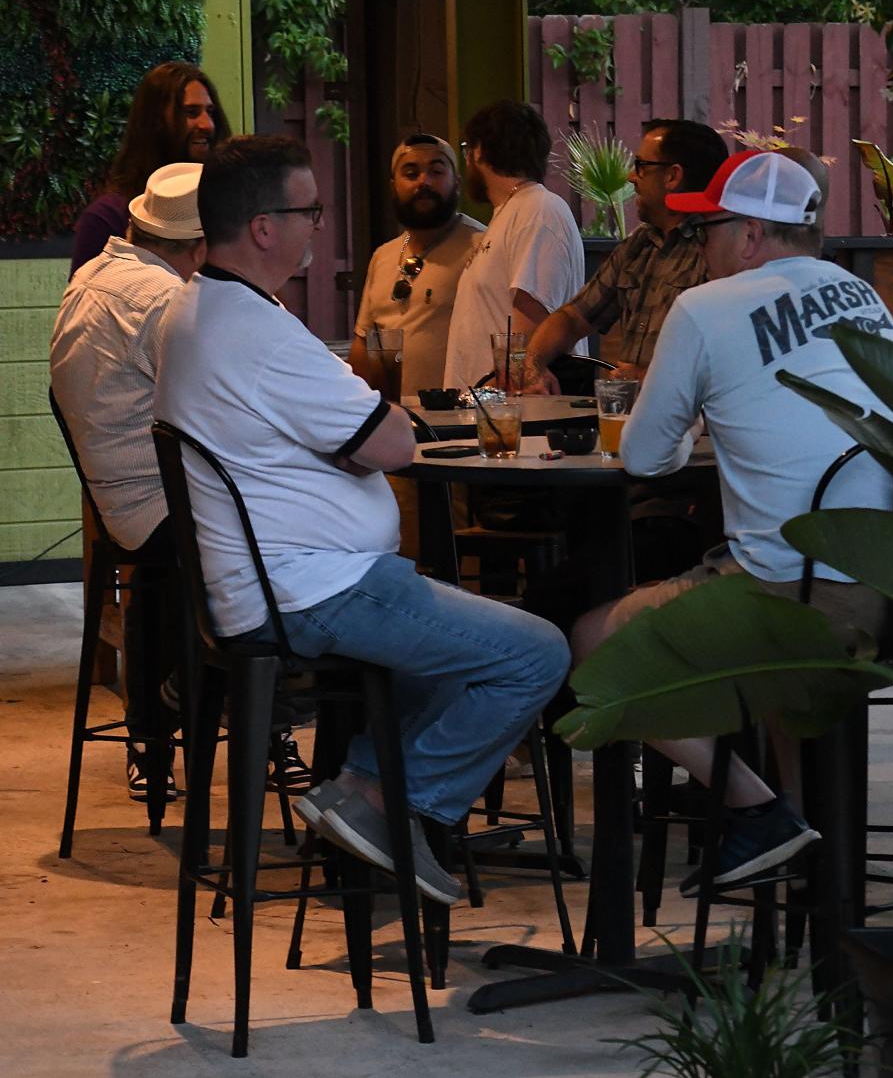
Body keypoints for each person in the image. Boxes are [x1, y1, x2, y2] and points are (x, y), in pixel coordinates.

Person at [153, 134, 570, 904]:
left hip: (285, 582)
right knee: (536, 653)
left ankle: (362, 788)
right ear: (263, 228)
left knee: (456, 641)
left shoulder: (199, 306)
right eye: (308, 209)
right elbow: (394, 440)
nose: (320, 224)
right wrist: (351, 448)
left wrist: (343, 447)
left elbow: (335, 437)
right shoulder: (263, 334)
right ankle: (389, 806)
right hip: (319, 589)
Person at [571, 149, 893, 892]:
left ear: (750, 235)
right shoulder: (865, 295)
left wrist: (696, 419)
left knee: (591, 641)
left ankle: (759, 814)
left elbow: (648, 458)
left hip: (789, 601)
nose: (700, 247)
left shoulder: (706, 308)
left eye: (708, 230)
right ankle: (809, 858)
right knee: (771, 646)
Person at [51, 163, 207, 798]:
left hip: (123, 508)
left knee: (167, 570)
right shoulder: (167, 302)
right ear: (200, 246)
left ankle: (159, 723)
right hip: (162, 513)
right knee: (300, 536)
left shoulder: (92, 276)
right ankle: (248, 697)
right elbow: (224, 412)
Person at [523, 118, 729, 393]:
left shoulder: (718, 249)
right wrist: (534, 366)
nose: (631, 177)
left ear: (673, 176)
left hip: (692, 430)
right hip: (633, 422)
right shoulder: (639, 245)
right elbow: (573, 318)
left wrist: (646, 378)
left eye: (641, 166)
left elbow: (729, 362)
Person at [443, 100, 586, 391]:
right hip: (488, 409)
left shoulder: (537, 209)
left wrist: (502, 393)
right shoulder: (510, 212)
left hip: (516, 414)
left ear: (478, 151)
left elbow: (534, 314)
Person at [348, 133, 484, 395]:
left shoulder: (483, 246)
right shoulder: (382, 256)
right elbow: (363, 343)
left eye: (436, 172)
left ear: (456, 183)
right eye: (411, 174)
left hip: (458, 419)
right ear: (393, 186)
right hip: (398, 419)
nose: (424, 182)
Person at [70, 61, 230, 276]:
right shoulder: (109, 218)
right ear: (155, 122)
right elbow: (88, 302)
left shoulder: (227, 209)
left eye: (210, 112)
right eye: (191, 112)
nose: (207, 124)